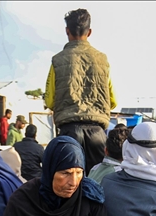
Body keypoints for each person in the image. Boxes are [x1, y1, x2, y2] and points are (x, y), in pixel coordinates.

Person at [44, 8, 117, 174]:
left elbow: (49, 100)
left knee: (69, 185)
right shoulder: (102, 59)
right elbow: (113, 100)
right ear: (89, 32)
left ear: (67, 31)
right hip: (97, 133)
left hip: (69, 131)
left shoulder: (57, 60)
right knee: (98, 184)